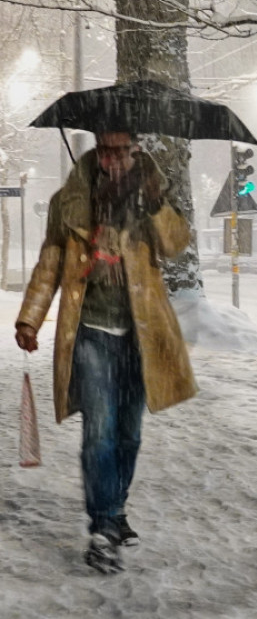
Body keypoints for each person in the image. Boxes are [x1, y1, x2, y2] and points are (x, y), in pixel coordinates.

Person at [14, 131, 197, 574]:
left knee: (129, 434)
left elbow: (177, 246)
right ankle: (102, 527)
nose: (114, 159)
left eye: (124, 151)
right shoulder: (70, 200)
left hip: (141, 335)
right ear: (97, 150)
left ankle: (115, 509)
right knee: (100, 430)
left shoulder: (151, 195)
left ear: (136, 152)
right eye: (107, 150)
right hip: (90, 331)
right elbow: (50, 262)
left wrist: (154, 204)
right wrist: (30, 318)